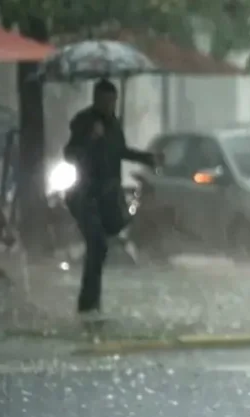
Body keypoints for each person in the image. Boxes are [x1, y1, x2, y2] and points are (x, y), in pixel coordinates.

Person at [64, 79, 156, 320]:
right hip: (86, 194)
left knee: (104, 244)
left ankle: (92, 301)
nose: (109, 106)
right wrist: (90, 139)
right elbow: (70, 154)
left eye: (113, 101)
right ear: (96, 99)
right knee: (98, 245)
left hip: (108, 195)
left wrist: (147, 158)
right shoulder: (84, 121)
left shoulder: (114, 124)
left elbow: (121, 151)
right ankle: (88, 304)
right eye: (105, 101)